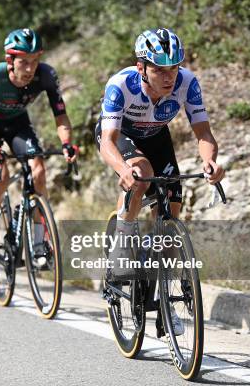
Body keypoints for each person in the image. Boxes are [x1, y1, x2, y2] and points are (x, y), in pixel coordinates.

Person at [95, 28, 225, 335]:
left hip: (156, 136)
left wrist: (209, 161)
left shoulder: (188, 83)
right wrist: (123, 169)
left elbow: (204, 134)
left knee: (172, 209)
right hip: (120, 136)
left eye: (174, 68)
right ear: (141, 67)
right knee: (140, 173)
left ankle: (164, 300)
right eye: (159, 70)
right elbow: (107, 143)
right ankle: (121, 250)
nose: (169, 77)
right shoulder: (121, 85)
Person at [0, 28, 77, 265]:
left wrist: (67, 143)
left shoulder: (47, 75)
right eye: (24, 63)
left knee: (38, 171)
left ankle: (38, 243)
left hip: (17, 124)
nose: (30, 69)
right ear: (10, 60)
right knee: (0, 177)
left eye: (35, 61)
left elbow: (61, 116)